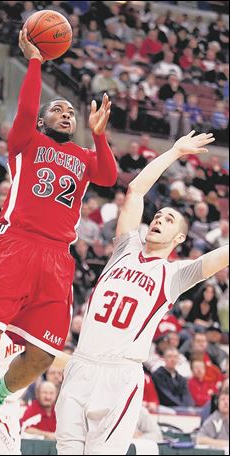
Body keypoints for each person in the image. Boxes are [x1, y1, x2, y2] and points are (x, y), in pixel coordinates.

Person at [0, 29, 117, 449]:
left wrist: (99, 134)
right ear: (41, 121)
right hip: (16, 244)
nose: (66, 114)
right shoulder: (27, 143)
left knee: (42, 354)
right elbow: (23, 110)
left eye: (70, 112)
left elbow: (110, 177)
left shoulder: (84, 157)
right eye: (57, 110)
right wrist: (35, 61)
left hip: (57, 258)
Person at [55, 131, 229, 455]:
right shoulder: (125, 248)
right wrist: (174, 152)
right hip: (81, 364)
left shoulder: (175, 274)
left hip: (120, 375)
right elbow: (135, 190)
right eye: (158, 216)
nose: (159, 220)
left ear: (178, 239)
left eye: (169, 220)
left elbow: (221, 256)